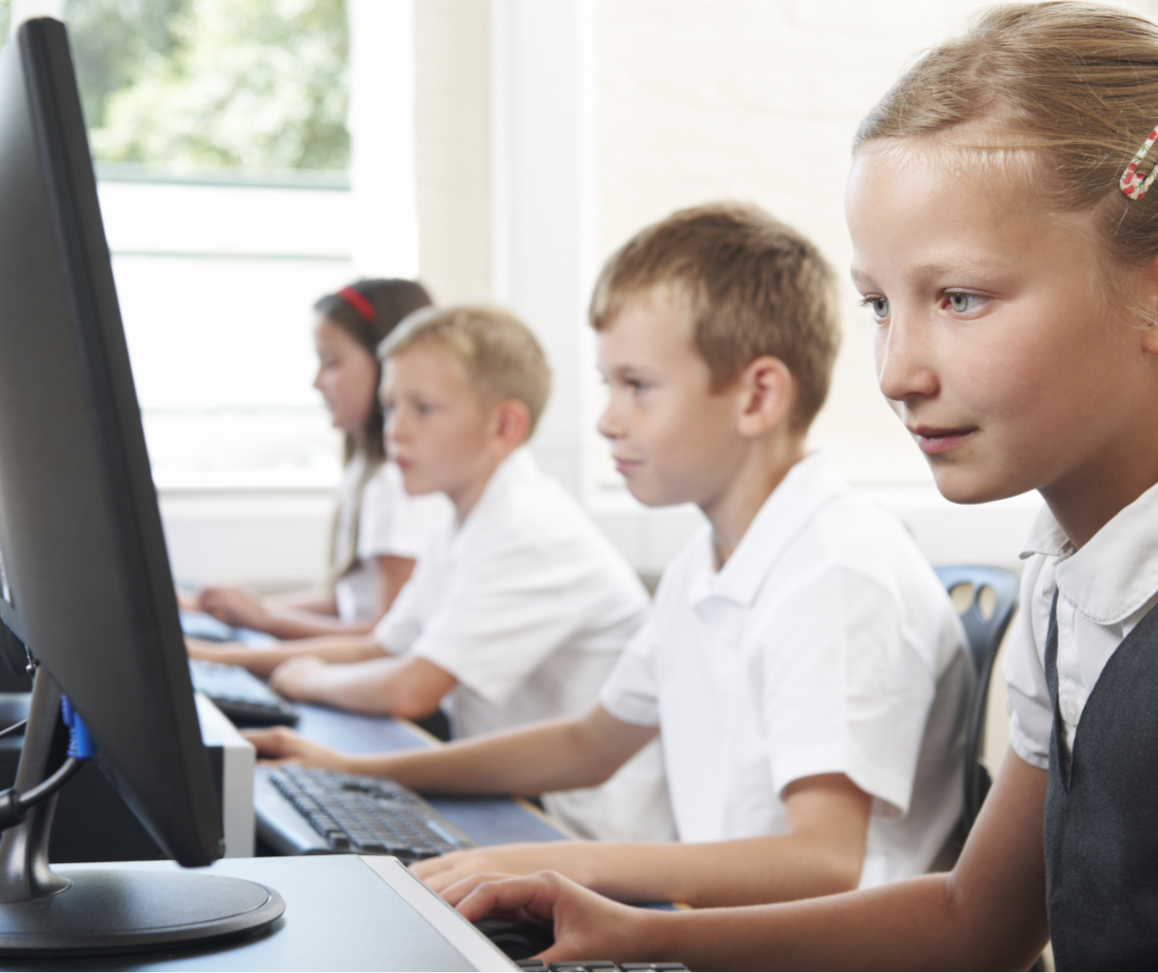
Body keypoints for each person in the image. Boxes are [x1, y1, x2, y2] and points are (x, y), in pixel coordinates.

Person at [420, 3, 1158, 969]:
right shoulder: (1067, 584)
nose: (895, 373)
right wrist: (634, 932)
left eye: (960, 298)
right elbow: (975, 922)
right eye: (879, 304)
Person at [250, 203, 974, 909]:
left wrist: (555, 864)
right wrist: (362, 771)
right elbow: (589, 743)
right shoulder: (709, 560)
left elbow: (822, 863)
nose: (605, 420)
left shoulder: (834, 572)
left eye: (638, 386)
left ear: (757, 397)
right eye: (608, 384)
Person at [210, 304, 670, 843]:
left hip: (575, 824)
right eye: (390, 407)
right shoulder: (460, 521)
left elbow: (410, 689)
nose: (396, 430)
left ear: (504, 426)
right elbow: (382, 646)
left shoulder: (526, 529)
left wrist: (308, 679)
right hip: (518, 795)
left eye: (424, 408)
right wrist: (228, 662)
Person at [184, 278, 446, 639]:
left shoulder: (398, 484)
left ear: (387, 364)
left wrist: (262, 620)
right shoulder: (365, 471)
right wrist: (232, 609)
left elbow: (387, 638)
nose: (316, 381)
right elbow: (349, 602)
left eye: (331, 362)